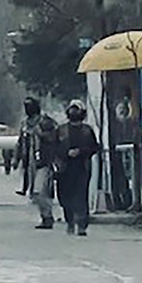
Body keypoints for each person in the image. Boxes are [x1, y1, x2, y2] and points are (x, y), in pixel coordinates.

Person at [56, 100, 99, 236]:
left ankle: (81, 224)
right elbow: (54, 148)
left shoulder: (87, 130)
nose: (74, 112)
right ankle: (70, 221)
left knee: (81, 195)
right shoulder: (61, 130)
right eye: (72, 109)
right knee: (65, 195)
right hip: (64, 168)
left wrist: (80, 152)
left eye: (77, 109)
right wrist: (66, 153)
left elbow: (94, 147)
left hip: (82, 167)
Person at [16, 97, 59, 230]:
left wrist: (41, 134)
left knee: (39, 191)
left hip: (44, 161)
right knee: (34, 194)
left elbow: (55, 137)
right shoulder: (24, 124)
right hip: (30, 162)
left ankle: (48, 216)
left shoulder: (45, 122)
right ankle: (45, 216)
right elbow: (20, 142)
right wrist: (16, 159)